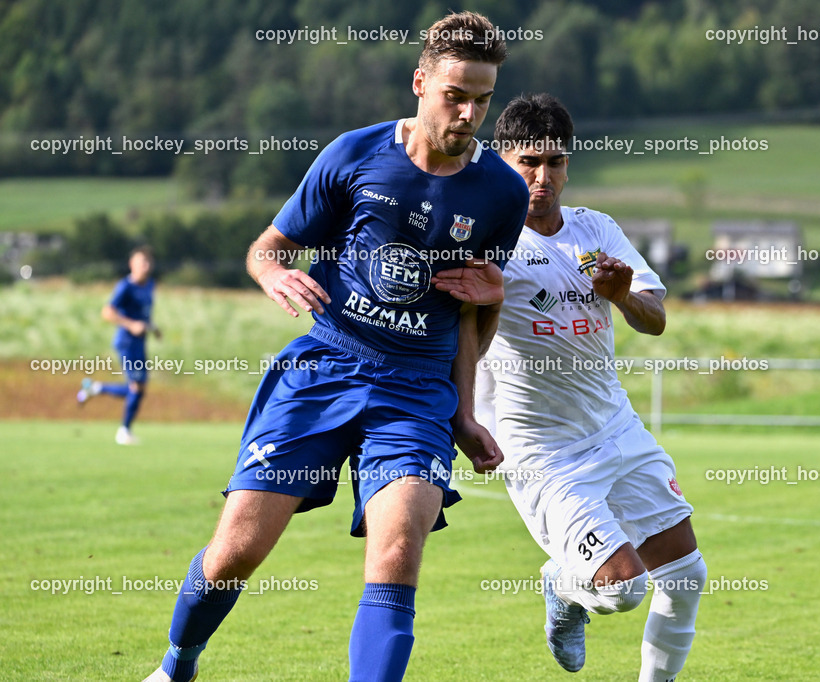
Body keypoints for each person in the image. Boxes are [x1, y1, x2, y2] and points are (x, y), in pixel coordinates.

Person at [143, 12, 528, 682]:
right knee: (236, 550)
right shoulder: (354, 154)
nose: (469, 112)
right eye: (455, 95)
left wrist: (466, 410)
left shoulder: (502, 192)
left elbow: (474, 313)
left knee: (398, 550)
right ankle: (178, 663)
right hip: (325, 368)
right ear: (419, 83)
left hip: (415, 391)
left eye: (483, 99)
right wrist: (274, 272)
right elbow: (267, 249)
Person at [476, 94, 706, 680]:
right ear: (501, 161)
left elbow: (655, 318)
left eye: (555, 162)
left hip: (616, 428)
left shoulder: (596, 230)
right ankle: (562, 582)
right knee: (625, 588)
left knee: (686, 577)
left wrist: (624, 295)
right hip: (543, 453)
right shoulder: (487, 243)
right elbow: (456, 338)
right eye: (529, 161)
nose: (543, 176)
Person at [78, 244, 161, 445]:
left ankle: (96, 389)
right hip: (126, 342)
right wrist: (131, 324)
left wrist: (153, 327)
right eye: (142, 262)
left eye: (149, 262)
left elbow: (142, 313)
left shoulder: (149, 285)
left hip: (140, 342)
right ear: (131, 264)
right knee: (135, 387)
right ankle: (123, 431)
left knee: (138, 389)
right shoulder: (125, 286)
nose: (146, 266)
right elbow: (107, 312)